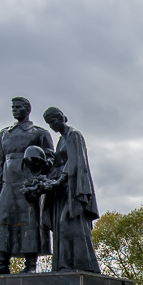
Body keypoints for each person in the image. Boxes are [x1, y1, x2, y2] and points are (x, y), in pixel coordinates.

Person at [0, 97, 53, 274]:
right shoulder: (5, 133)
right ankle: (2, 264)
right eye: (13, 107)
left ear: (27, 109)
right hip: (8, 183)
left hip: (28, 183)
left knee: (30, 221)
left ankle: (30, 265)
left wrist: (38, 168)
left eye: (18, 107)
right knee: (3, 219)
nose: (14, 110)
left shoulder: (39, 133)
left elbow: (51, 159)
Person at [40, 106, 101, 273]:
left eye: (53, 121)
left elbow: (75, 161)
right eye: (49, 123)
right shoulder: (62, 140)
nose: (52, 125)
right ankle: (63, 265)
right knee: (60, 227)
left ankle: (82, 265)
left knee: (67, 223)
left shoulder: (74, 135)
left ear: (62, 118)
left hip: (74, 187)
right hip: (62, 190)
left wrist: (60, 178)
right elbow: (57, 163)